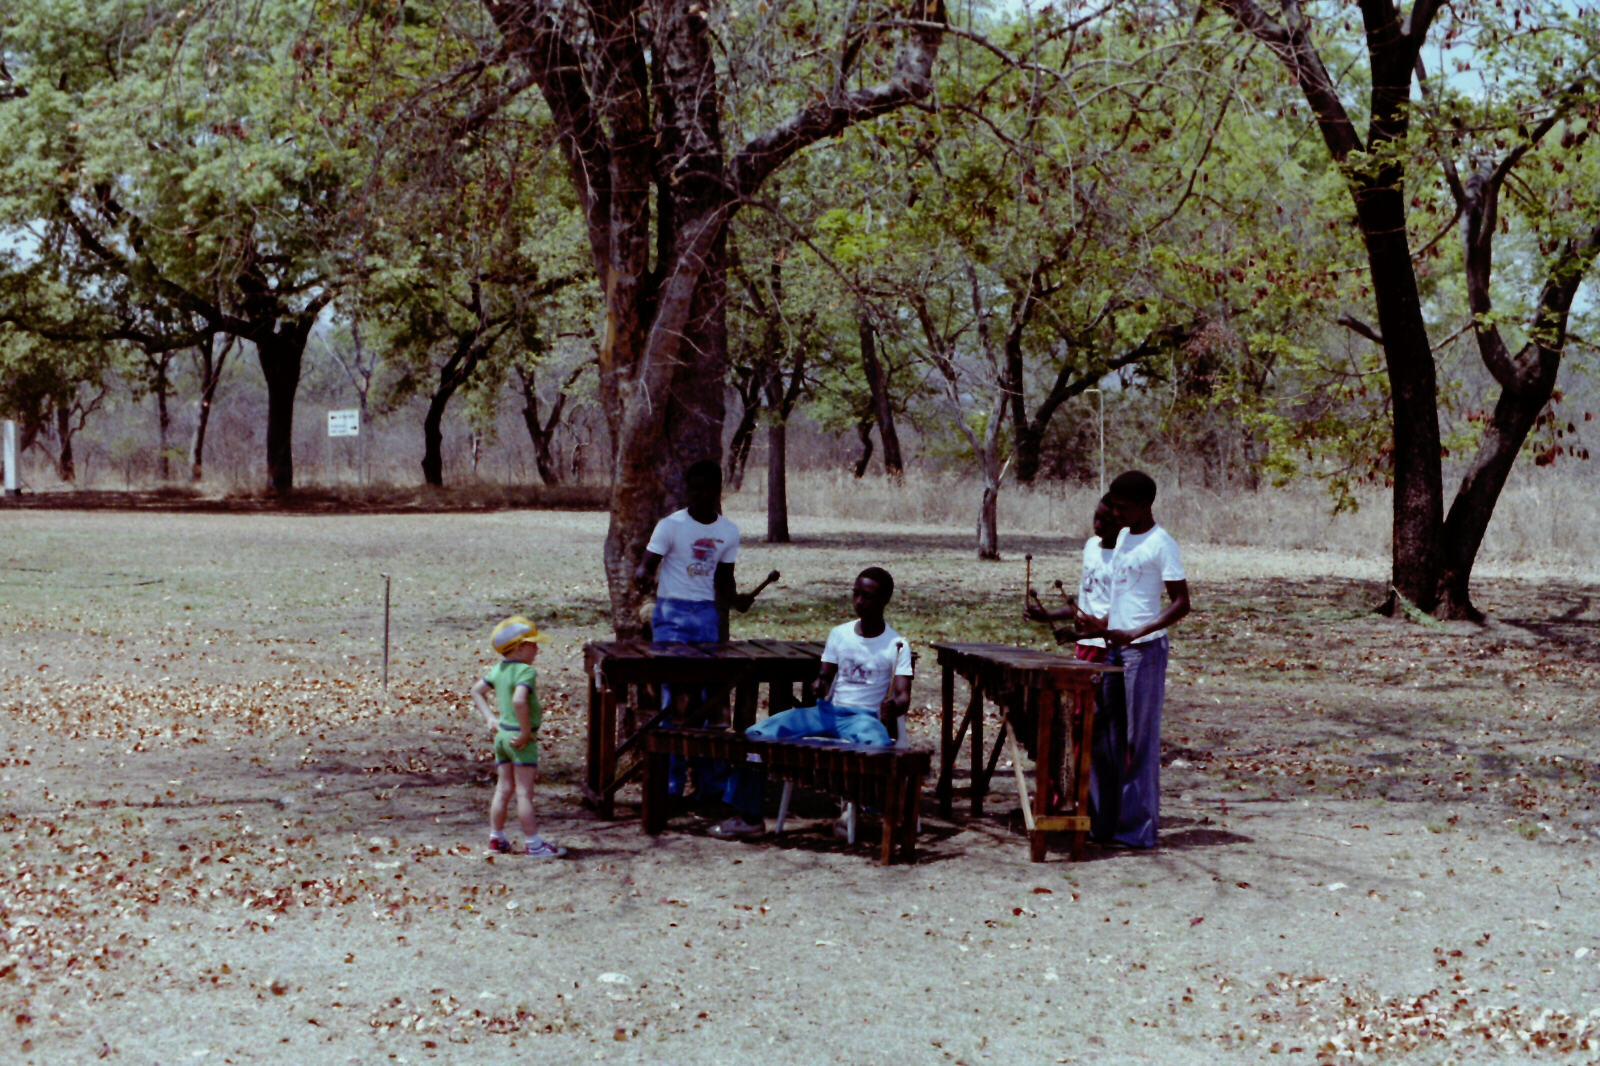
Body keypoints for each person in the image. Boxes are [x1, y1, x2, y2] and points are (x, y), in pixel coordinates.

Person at [709, 567, 913, 840]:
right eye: (856, 594)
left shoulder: (897, 644)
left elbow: (902, 695)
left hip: (863, 718)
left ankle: (864, 815)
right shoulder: (840, 634)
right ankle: (749, 816)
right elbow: (825, 677)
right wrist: (820, 685)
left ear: (885, 599)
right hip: (826, 713)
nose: (859, 602)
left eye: (868, 596)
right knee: (755, 735)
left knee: (880, 749)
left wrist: (895, 706)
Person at [634, 460, 755, 797]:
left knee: (709, 698)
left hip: (705, 617)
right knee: (675, 700)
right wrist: (642, 581)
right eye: (693, 489)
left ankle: (709, 784)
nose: (698, 495)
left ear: (717, 491)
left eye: (705, 489)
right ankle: (671, 784)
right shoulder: (670, 526)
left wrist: (737, 600)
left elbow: (725, 582)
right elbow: (646, 568)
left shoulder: (728, 531)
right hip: (671, 614)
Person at [1088, 470, 1191, 849]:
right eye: (1113, 505)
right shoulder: (1125, 540)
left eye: (1122, 507)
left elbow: (1182, 603)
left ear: (1145, 506)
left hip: (1143, 652)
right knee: (1106, 738)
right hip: (1112, 647)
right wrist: (1090, 627)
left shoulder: (1162, 544)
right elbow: (1120, 601)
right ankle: (1103, 823)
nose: (1115, 513)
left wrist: (1136, 633)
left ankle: (1138, 830)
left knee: (1137, 741)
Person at [470, 616, 566, 858]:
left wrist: (490, 718)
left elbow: (476, 691)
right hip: (520, 739)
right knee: (524, 793)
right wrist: (525, 732)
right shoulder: (526, 671)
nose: (537, 649)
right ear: (519, 647)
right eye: (533, 644)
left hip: (502, 736)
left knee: (503, 789)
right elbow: (519, 700)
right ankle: (534, 845)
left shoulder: (498, 669)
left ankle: (496, 838)